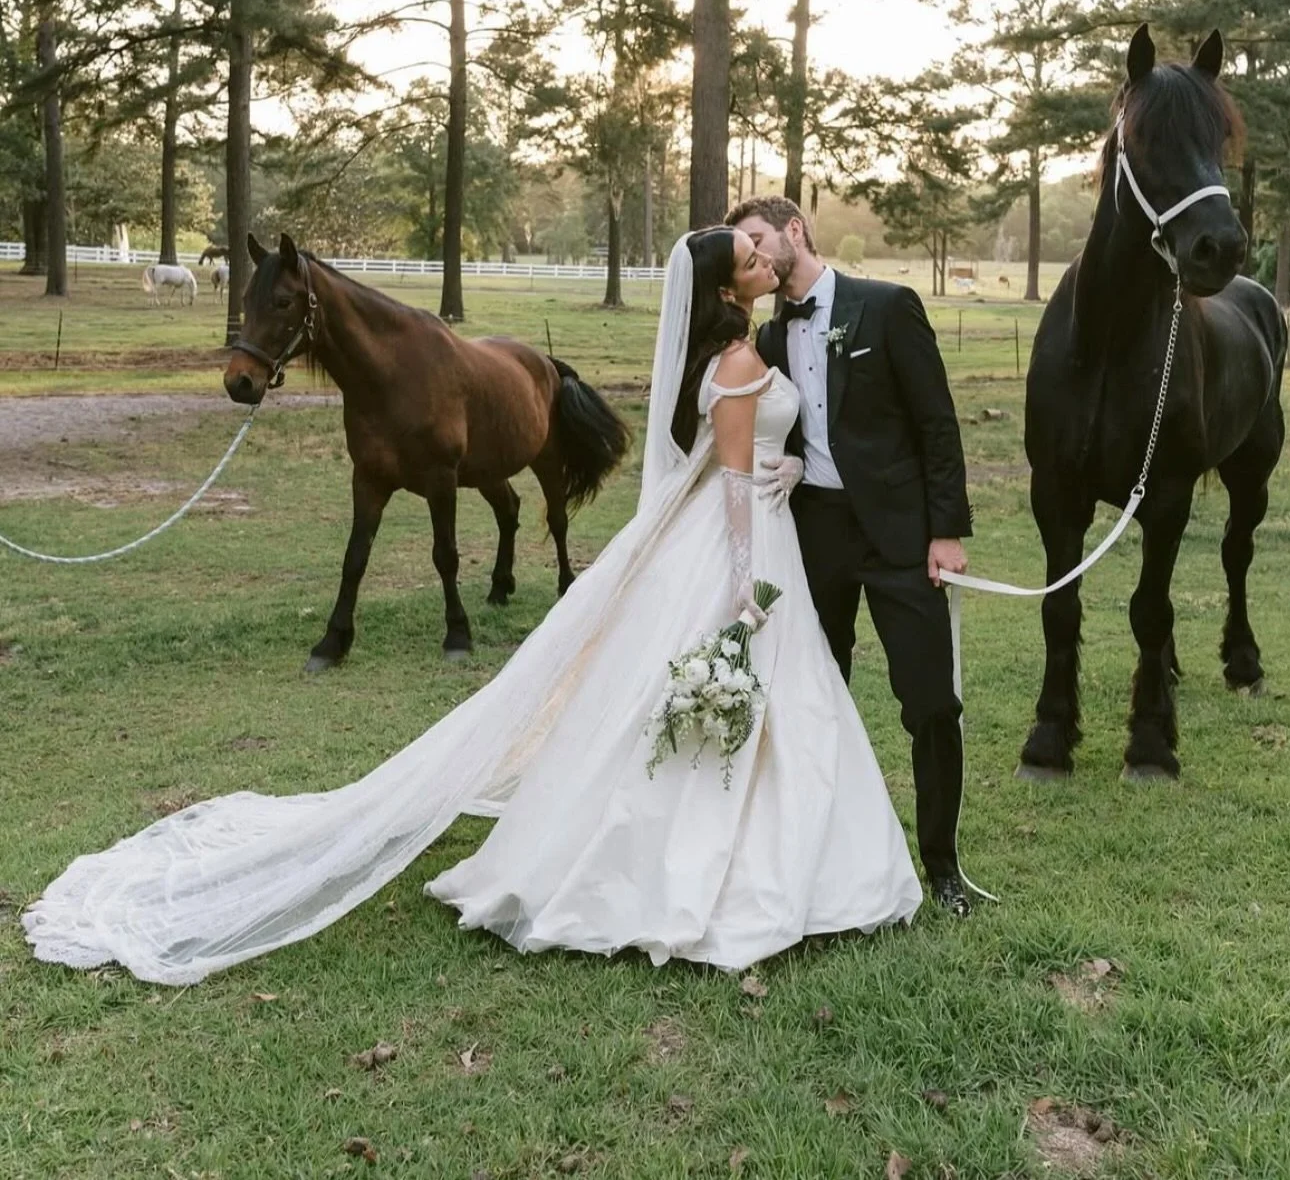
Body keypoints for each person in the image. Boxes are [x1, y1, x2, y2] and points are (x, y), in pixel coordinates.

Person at [23, 228, 922, 986]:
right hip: (745, 548)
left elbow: (739, 455)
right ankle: (725, 864)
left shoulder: (741, 351)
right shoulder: (734, 361)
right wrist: (741, 581)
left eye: (768, 247)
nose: (772, 254)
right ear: (733, 285)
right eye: (758, 252)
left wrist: (793, 466)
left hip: (762, 527)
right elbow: (728, 481)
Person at [726, 196, 974, 918]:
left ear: (795, 230)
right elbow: (775, 429)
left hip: (900, 535)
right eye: (742, 246)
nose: (755, 255)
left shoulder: (888, 307)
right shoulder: (767, 339)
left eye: (758, 238)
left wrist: (946, 530)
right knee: (813, 694)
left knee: (930, 702)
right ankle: (822, 861)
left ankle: (944, 865)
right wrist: (799, 464)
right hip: (815, 534)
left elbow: (936, 422)